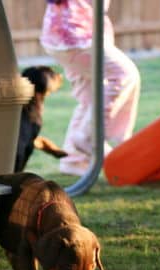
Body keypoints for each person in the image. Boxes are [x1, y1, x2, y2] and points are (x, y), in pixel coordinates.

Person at [40, 0, 141, 176]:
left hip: (63, 34)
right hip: (74, 34)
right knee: (124, 75)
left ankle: (74, 159)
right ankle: (88, 137)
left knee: (89, 97)